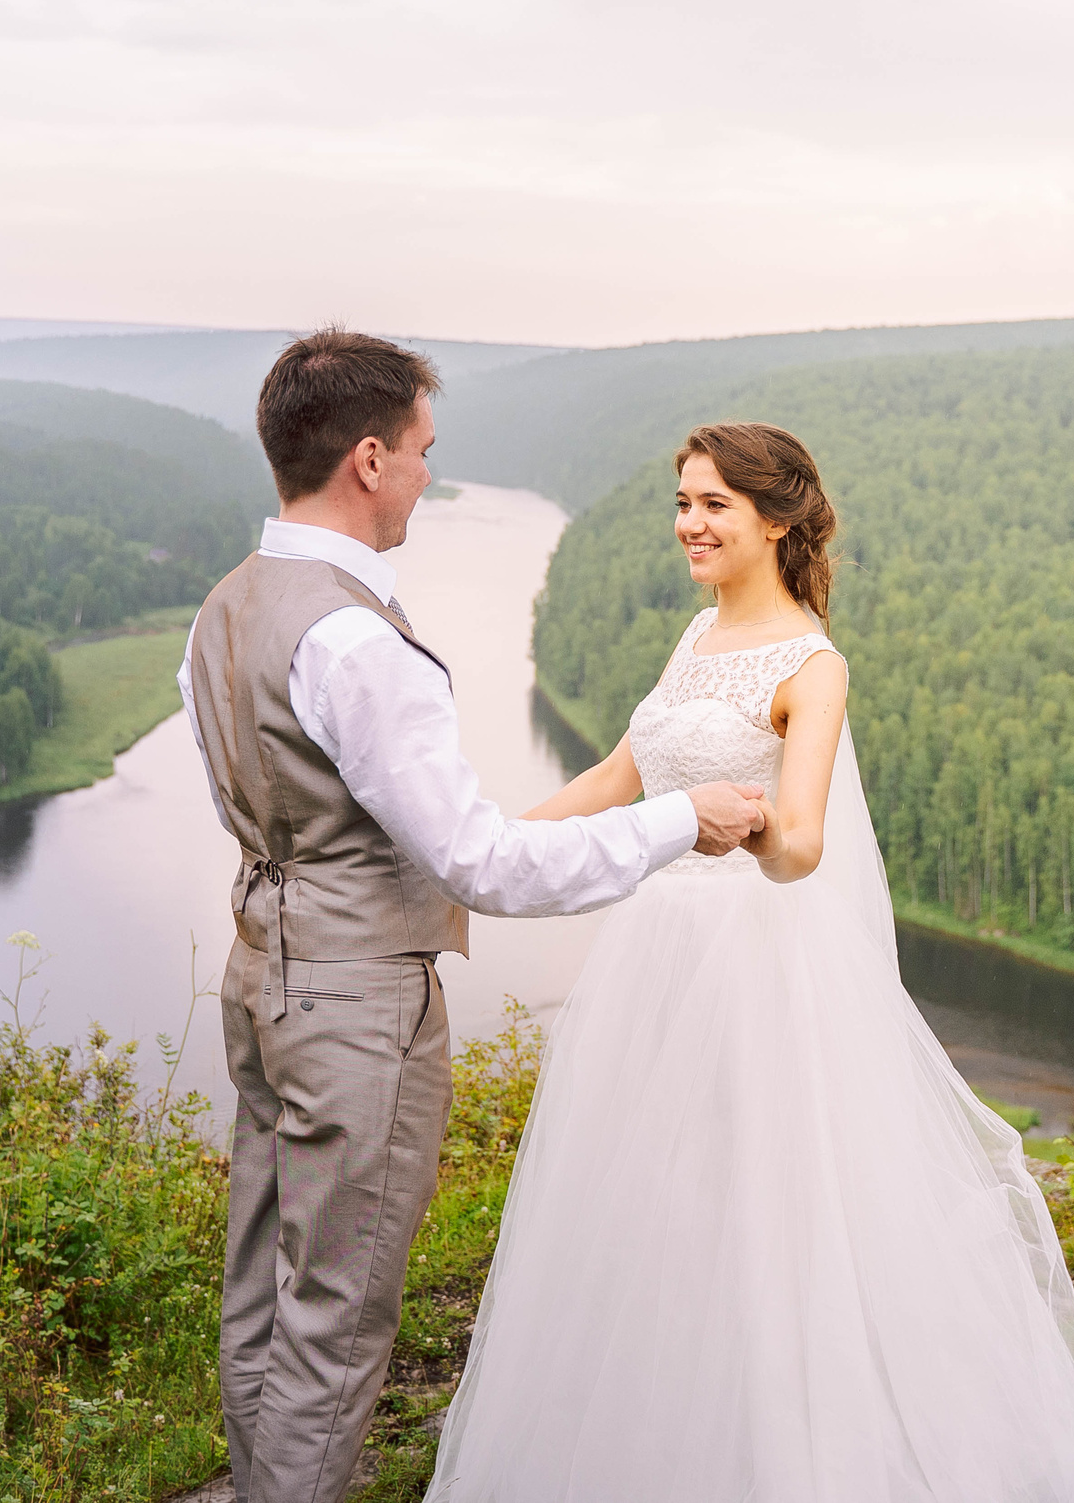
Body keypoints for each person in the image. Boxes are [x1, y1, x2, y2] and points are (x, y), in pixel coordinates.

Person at [423, 422, 1074, 1502]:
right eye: (681, 503)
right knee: (646, 1203)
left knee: (760, 1209)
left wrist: (729, 820)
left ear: (777, 519)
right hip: (656, 957)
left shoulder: (812, 663)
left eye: (710, 505)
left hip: (753, 969)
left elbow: (800, 845)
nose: (687, 525)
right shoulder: (696, 638)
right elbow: (623, 769)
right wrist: (482, 856)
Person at [177, 331, 774, 1503]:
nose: (426, 477)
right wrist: (676, 821)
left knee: (260, 1289)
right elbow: (482, 864)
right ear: (364, 460)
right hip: (355, 1009)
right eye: (418, 453)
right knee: (337, 1321)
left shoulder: (228, 607)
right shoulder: (357, 640)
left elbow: (255, 807)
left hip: (263, 984)